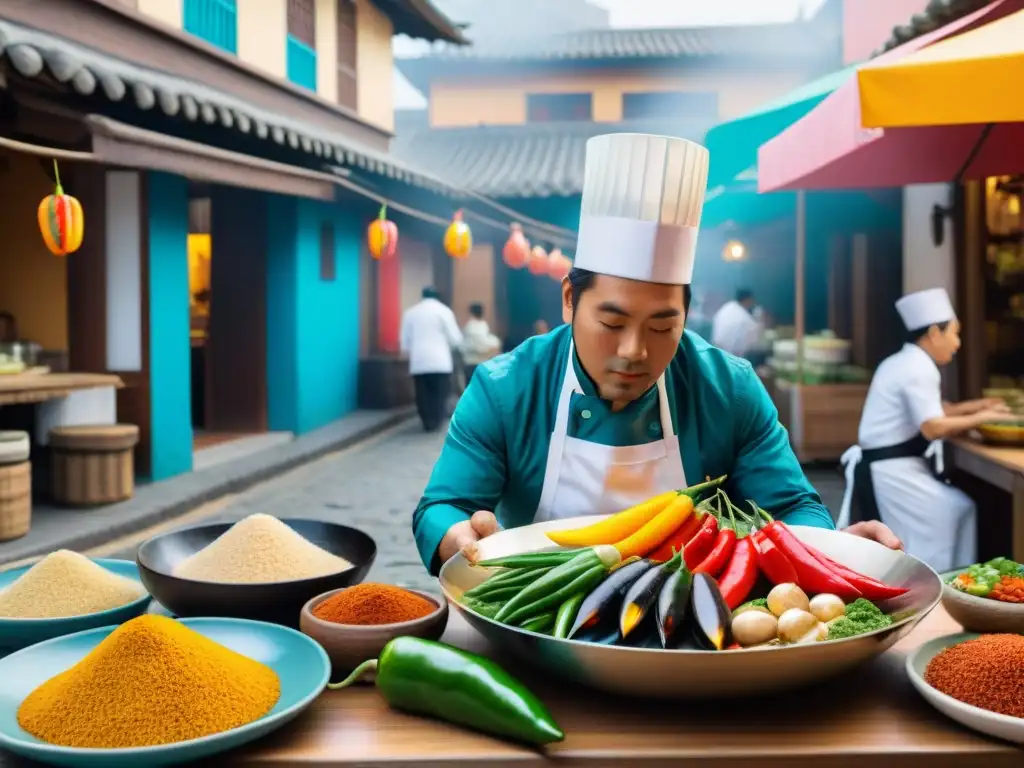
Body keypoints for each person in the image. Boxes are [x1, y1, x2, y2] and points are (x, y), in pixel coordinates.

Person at [411, 132, 901, 573]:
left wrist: (828, 547)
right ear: (568, 300)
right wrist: (458, 535)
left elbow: (794, 505)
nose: (634, 351)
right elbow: (441, 507)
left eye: (663, 325)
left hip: (698, 632)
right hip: (538, 627)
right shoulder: (506, 388)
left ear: (687, 314)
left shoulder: (728, 388)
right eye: (612, 322)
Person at [837, 288, 1013, 572]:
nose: (957, 344)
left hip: (896, 466)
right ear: (934, 333)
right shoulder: (918, 367)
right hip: (893, 471)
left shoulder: (904, 361)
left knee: (958, 509)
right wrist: (983, 417)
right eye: (954, 334)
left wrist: (978, 406)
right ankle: (942, 586)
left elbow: (935, 409)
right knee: (953, 512)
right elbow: (933, 426)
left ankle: (949, 582)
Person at [400, 287, 463, 432]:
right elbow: (455, 339)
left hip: (419, 362)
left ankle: (426, 420)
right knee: (440, 393)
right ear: (437, 296)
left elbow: (405, 340)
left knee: (422, 393)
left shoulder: (410, 313)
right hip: (440, 361)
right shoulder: (444, 311)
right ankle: (436, 420)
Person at [711, 289, 764, 359]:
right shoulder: (743, 317)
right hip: (731, 356)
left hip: (715, 351)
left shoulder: (727, 307)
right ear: (748, 300)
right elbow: (755, 341)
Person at [461, 303, 500, 385]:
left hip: (473, 364)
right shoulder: (481, 325)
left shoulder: (473, 326)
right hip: (481, 364)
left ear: (470, 313)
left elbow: (481, 346)